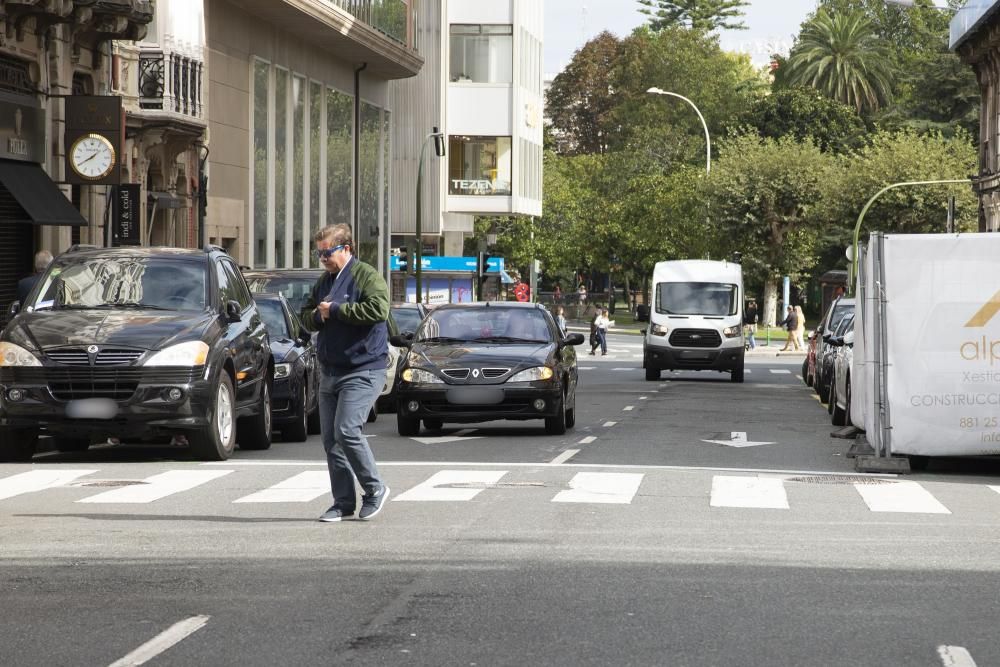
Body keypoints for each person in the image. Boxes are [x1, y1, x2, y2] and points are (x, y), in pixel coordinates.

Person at [301, 224, 391, 523]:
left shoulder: (366, 275)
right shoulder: (324, 282)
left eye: (328, 252)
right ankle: (342, 502)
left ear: (347, 249)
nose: (324, 258)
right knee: (331, 440)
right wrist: (318, 314)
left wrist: (337, 310)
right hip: (331, 369)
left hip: (363, 368)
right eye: (320, 253)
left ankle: (375, 489)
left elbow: (379, 309)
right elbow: (306, 316)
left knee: (347, 430)